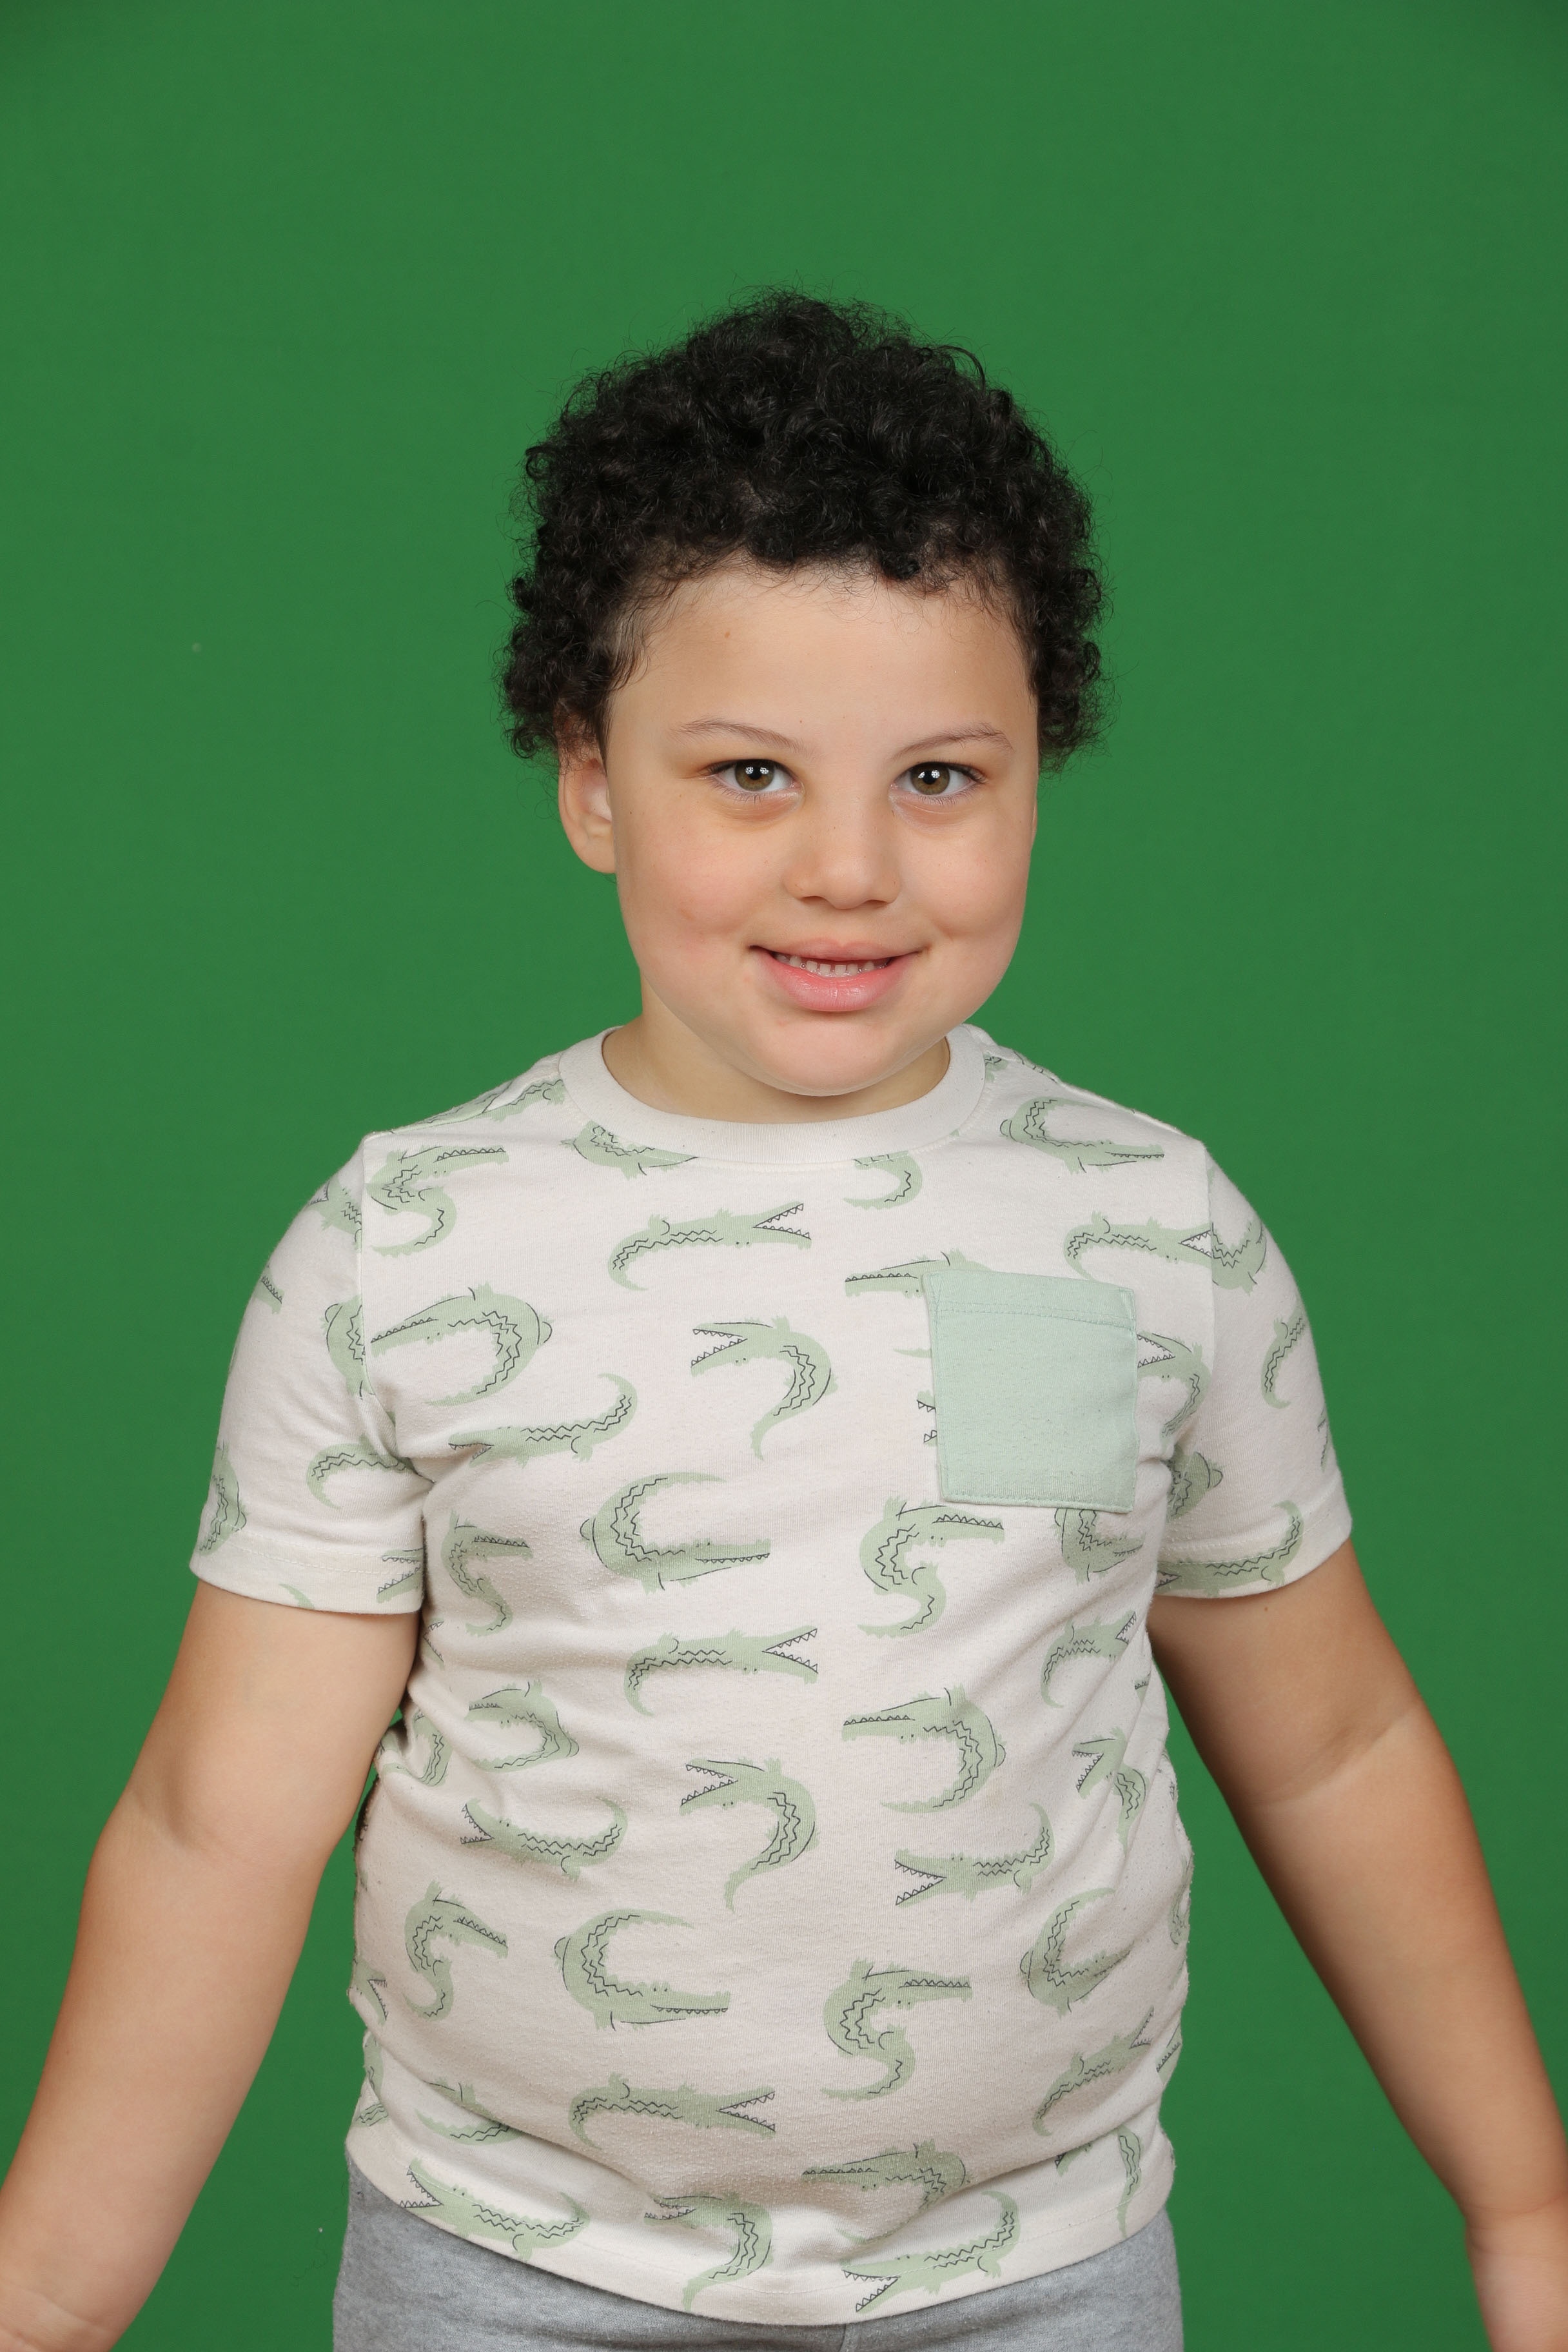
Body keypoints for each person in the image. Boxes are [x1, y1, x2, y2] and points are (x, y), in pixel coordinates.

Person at [1, 293, 1563, 2352]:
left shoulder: (1146, 1230)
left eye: (940, 776)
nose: (850, 866)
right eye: (749, 773)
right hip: (510, 2273)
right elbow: (220, 1827)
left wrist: (1527, 2202)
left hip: (1039, 2280)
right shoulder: (410, 1246)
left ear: (1039, 773)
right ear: (592, 782)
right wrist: (43, 2298)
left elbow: (1337, 1745)